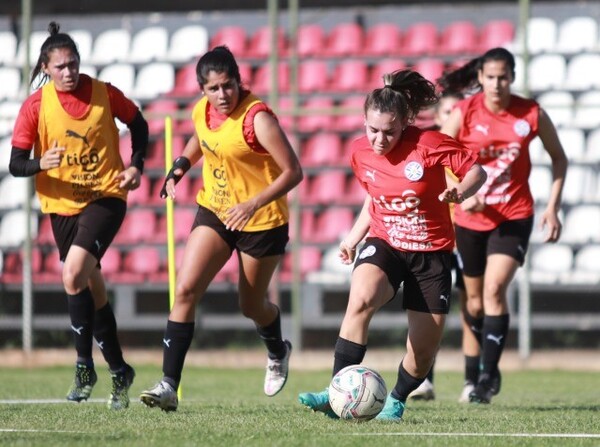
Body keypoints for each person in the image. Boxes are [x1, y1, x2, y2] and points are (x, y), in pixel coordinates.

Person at [297, 69, 487, 421]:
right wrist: (353, 238)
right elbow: (376, 200)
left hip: (432, 255)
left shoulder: (429, 144)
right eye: (372, 130)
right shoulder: (359, 153)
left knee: (423, 351)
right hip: (386, 243)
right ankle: (336, 389)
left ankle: (396, 399)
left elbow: (478, 172)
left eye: (389, 131)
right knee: (362, 295)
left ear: (405, 124)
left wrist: (460, 191)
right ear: (364, 122)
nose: (380, 139)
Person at [139, 46, 303, 412]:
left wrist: (252, 204)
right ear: (202, 90)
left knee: (251, 305)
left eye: (228, 86)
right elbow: (201, 139)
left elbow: (294, 171)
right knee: (184, 289)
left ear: (238, 81)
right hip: (215, 209)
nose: (222, 95)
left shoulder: (257, 118)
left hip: (261, 221)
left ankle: (278, 349)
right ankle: (168, 385)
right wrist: (179, 167)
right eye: (213, 89)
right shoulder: (203, 111)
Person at [9, 22, 148, 410]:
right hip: (62, 207)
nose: (69, 72)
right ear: (47, 69)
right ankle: (120, 371)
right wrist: (40, 162)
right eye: (61, 67)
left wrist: (136, 165)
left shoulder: (104, 93)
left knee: (72, 275)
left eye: (73, 63)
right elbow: (15, 163)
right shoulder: (36, 106)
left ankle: (84, 367)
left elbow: (139, 123)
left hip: (106, 196)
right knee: (92, 287)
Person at [438, 47, 568, 404]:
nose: (497, 84)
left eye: (504, 77)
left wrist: (553, 207)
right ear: (480, 77)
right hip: (469, 220)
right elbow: (439, 155)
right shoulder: (464, 112)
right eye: (491, 77)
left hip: (514, 215)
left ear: (512, 76)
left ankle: (486, 380)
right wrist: (465, 193)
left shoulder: (530, 113)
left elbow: (559, 158)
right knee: (474, 303)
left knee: (495, 290)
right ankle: (474, 375)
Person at [408, 89, 482, 403]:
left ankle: (471, 382)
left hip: (465, 236)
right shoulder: (429, 150)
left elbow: (479, 179)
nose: (456, 117)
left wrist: (472, 196)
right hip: (434, 240)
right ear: (439, 118)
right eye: (449, 112)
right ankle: (423, 380)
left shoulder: (470, 152)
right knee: (426, 311)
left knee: (472, 308)